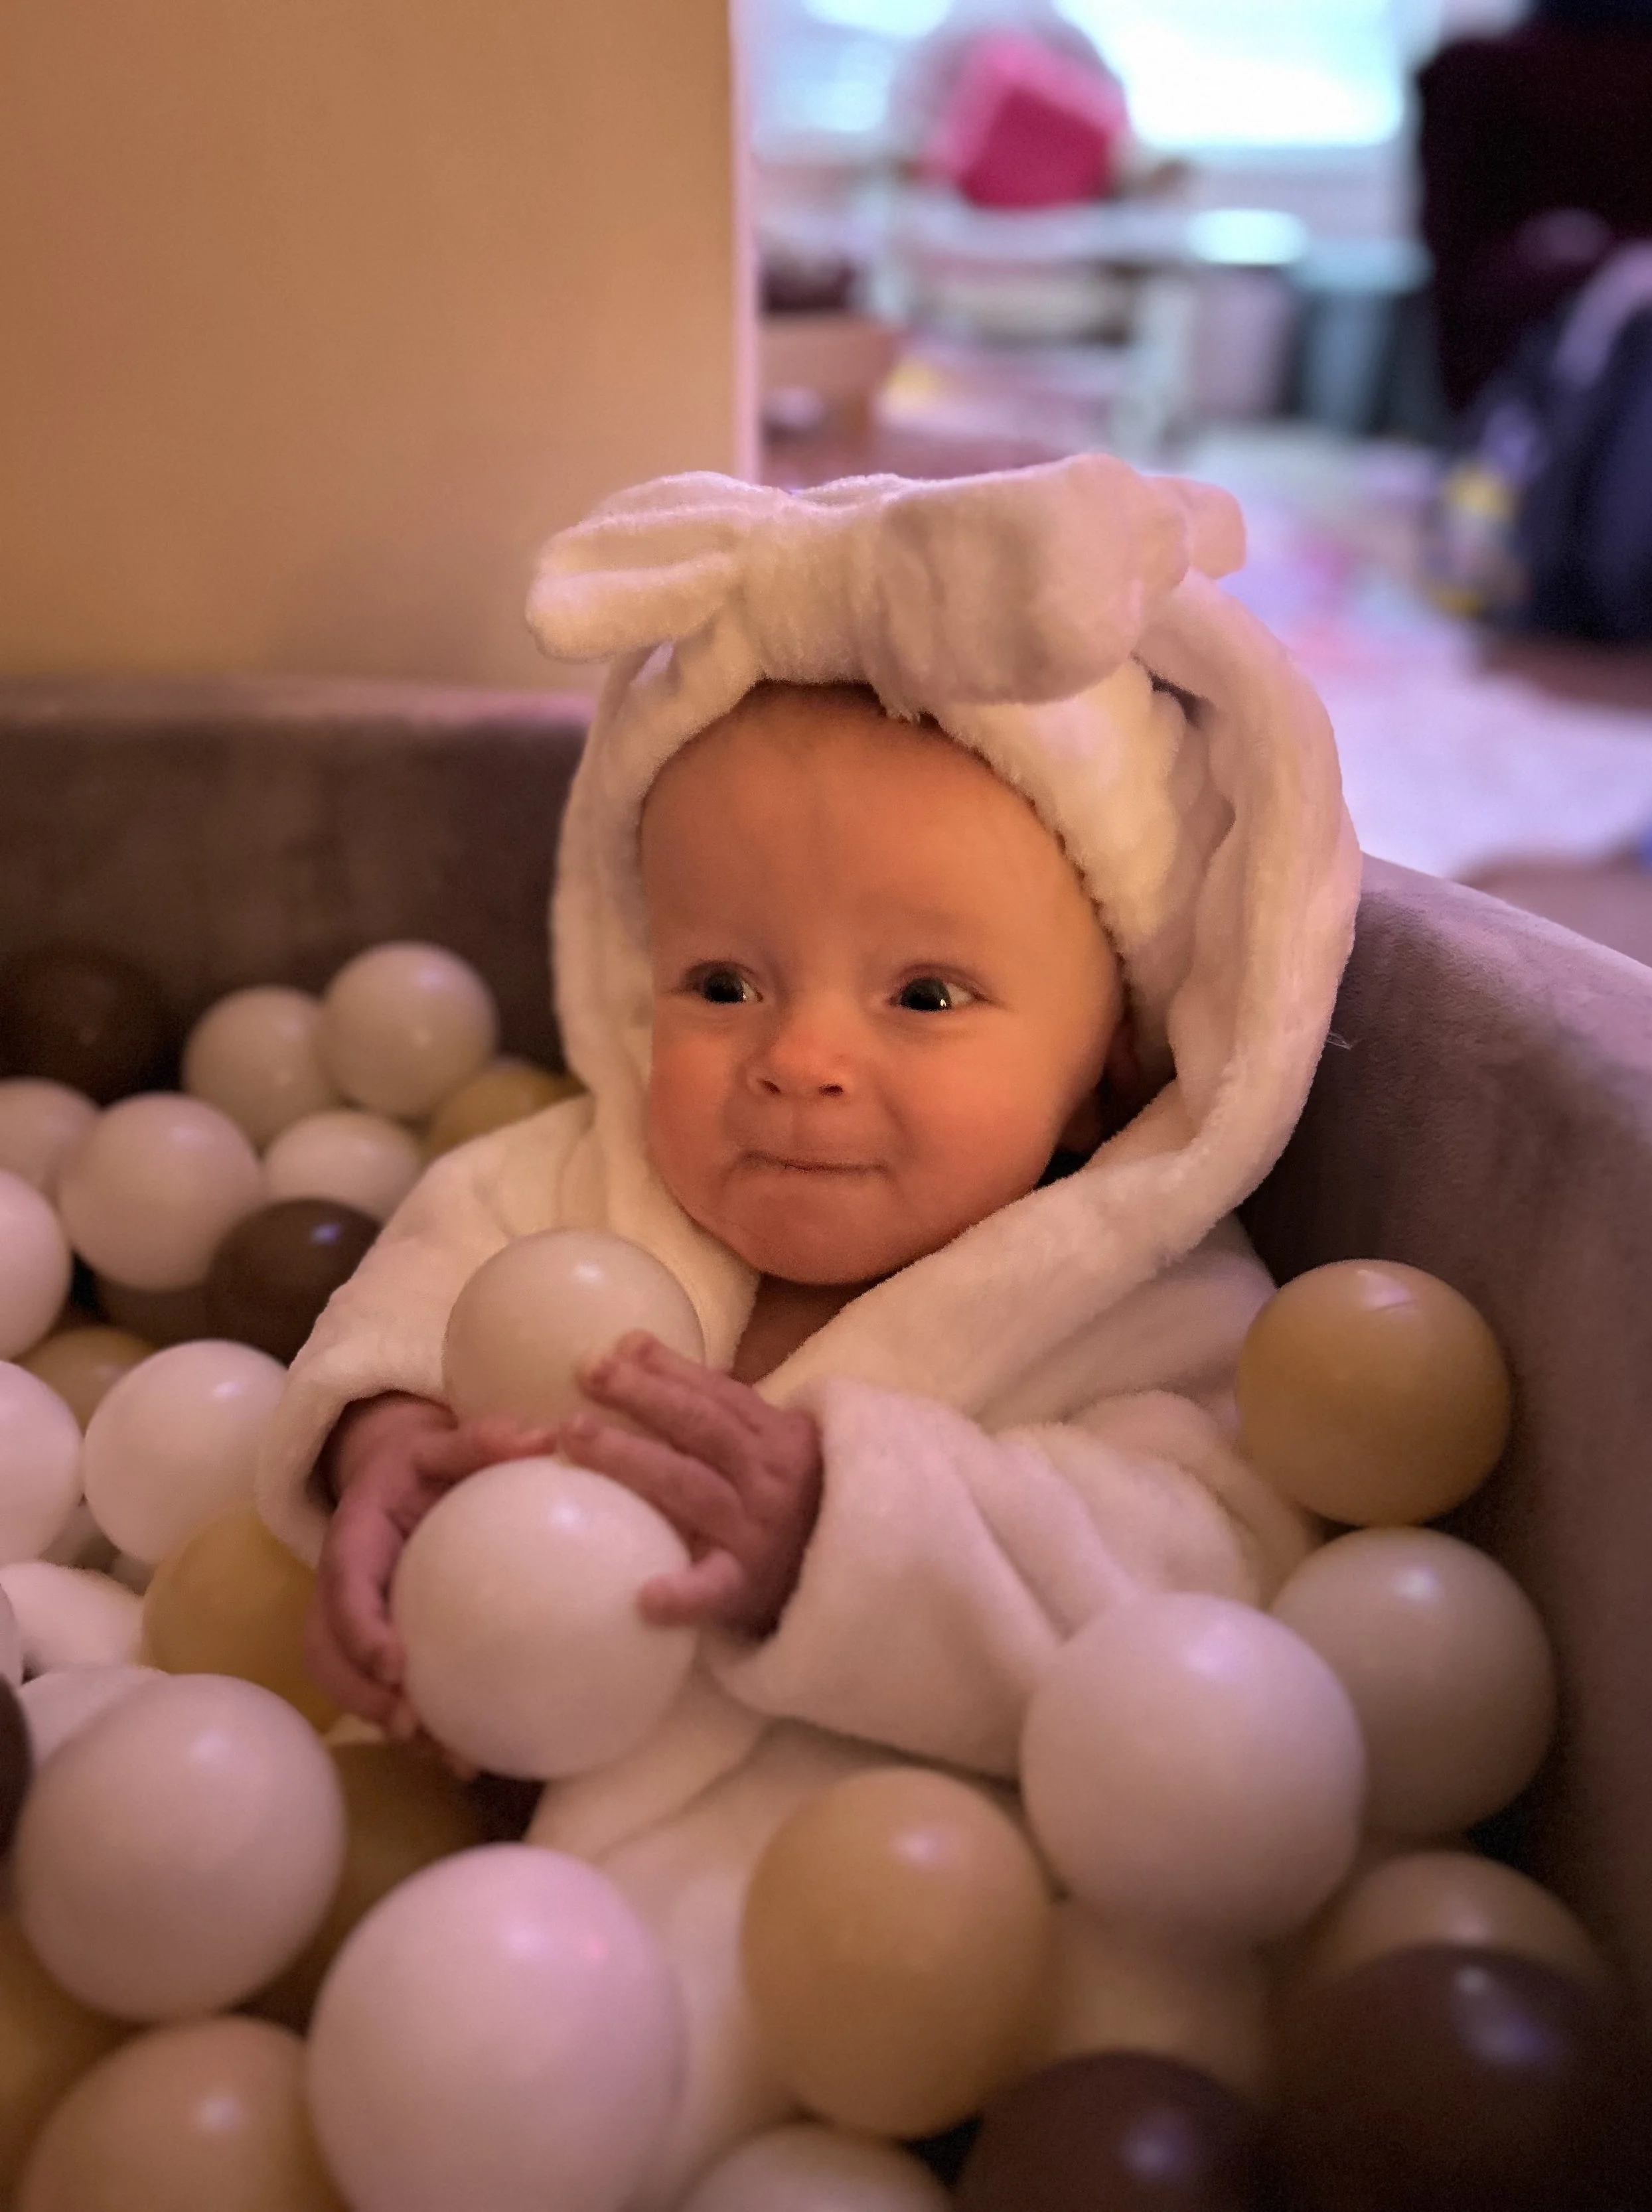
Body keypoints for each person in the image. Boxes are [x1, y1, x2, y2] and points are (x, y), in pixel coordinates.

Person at [255, 452, 1359, 2202]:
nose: (797, 1056)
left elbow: (1199, 1599)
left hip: (836, 1937)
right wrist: (372, 1437)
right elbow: (424, 1274)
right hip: (434, 1827)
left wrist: (847, 1531)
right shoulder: (579, 1170)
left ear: (1116, 1063)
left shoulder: (1146, 1301)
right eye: (721, 981)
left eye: (923, 992)